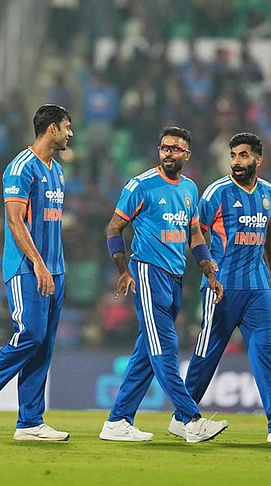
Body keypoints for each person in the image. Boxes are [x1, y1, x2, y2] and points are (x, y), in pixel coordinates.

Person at [168, 133, 271, 443]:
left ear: (259, 160)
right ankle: (182, 416)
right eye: (233, 155)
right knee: (206, 356)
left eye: (244, 155)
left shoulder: (270, 194)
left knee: (265, 355)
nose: (236, 161)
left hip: (258, 287)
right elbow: (195, 235)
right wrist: (205, 274)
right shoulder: (216, 193)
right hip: (223, 288)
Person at [99, 127, 228, 443]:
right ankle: (191, 419)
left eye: (176, 148)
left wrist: (209, 271)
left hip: (175, 278)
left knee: (147, 353)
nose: (169, 153)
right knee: (165, 349)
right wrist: (123, 269)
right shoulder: (141, 186)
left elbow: (194, 234)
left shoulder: (189, 189)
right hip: (147, 272)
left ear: (187, 155)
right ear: (159, 151)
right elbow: (114, 229)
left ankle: (117, 421)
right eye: (164, 148)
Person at [0, 104, 73, 442]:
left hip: (56, 269)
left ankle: (29, 422)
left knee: (44, 346)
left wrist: (51, 266)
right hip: (27, 268)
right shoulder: (20, 168)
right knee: (31, 334)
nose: (70, 134)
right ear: (51, 129)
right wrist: (38, 263)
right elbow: (14, 220)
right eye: (67, 127)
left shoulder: (57, 171)